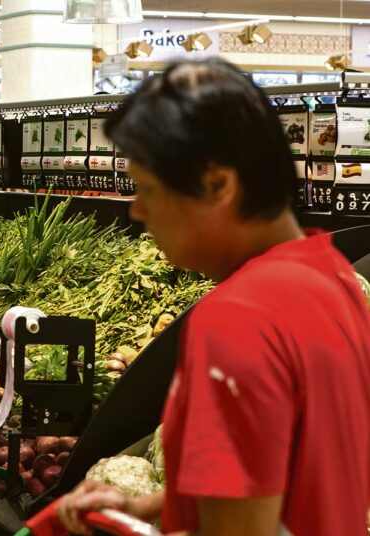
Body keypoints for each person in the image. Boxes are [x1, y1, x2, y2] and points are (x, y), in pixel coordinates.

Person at [57, 59, 370, 536]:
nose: (138, 211)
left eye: (148, 189)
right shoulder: (334, 281)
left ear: (218, 184)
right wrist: (145, 508)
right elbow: (281, 469)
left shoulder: (238, 320)